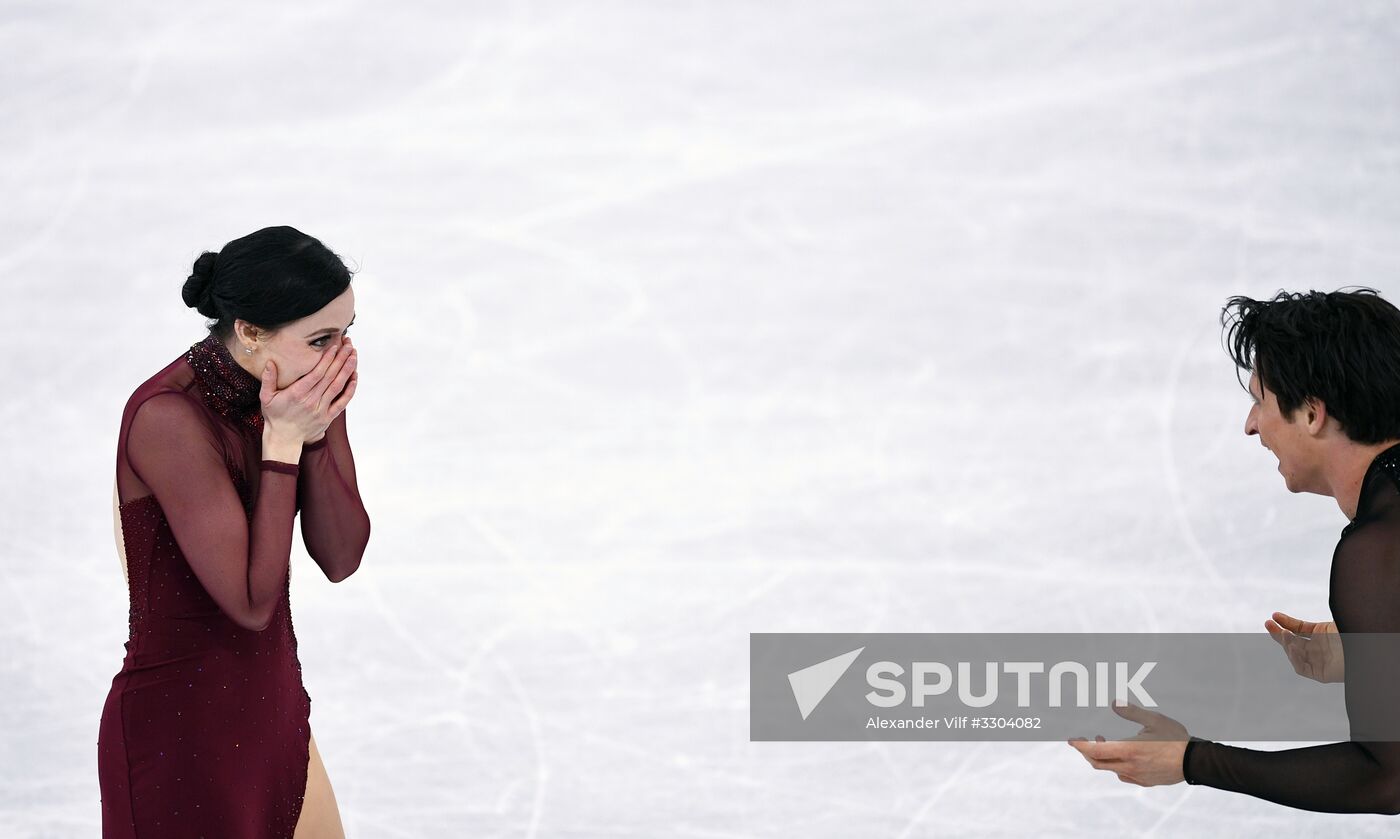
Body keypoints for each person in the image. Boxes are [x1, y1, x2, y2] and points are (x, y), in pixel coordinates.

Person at [1067, 287, 1400, 814]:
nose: (1250, 425)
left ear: (1312, 414)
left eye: (1259, 400)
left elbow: (1386, 780)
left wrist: (1190, 760)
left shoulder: (1378, 551)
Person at [97, 225, 371, 837]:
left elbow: (341, 554)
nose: (338, 359)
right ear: (249, 332)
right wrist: (281, 447)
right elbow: (250, 603)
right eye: (321, 339)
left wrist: (320, 431)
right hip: (181, 734)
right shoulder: (167, 417)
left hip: (274, 715)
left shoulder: (293, 400)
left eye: (346, 335)